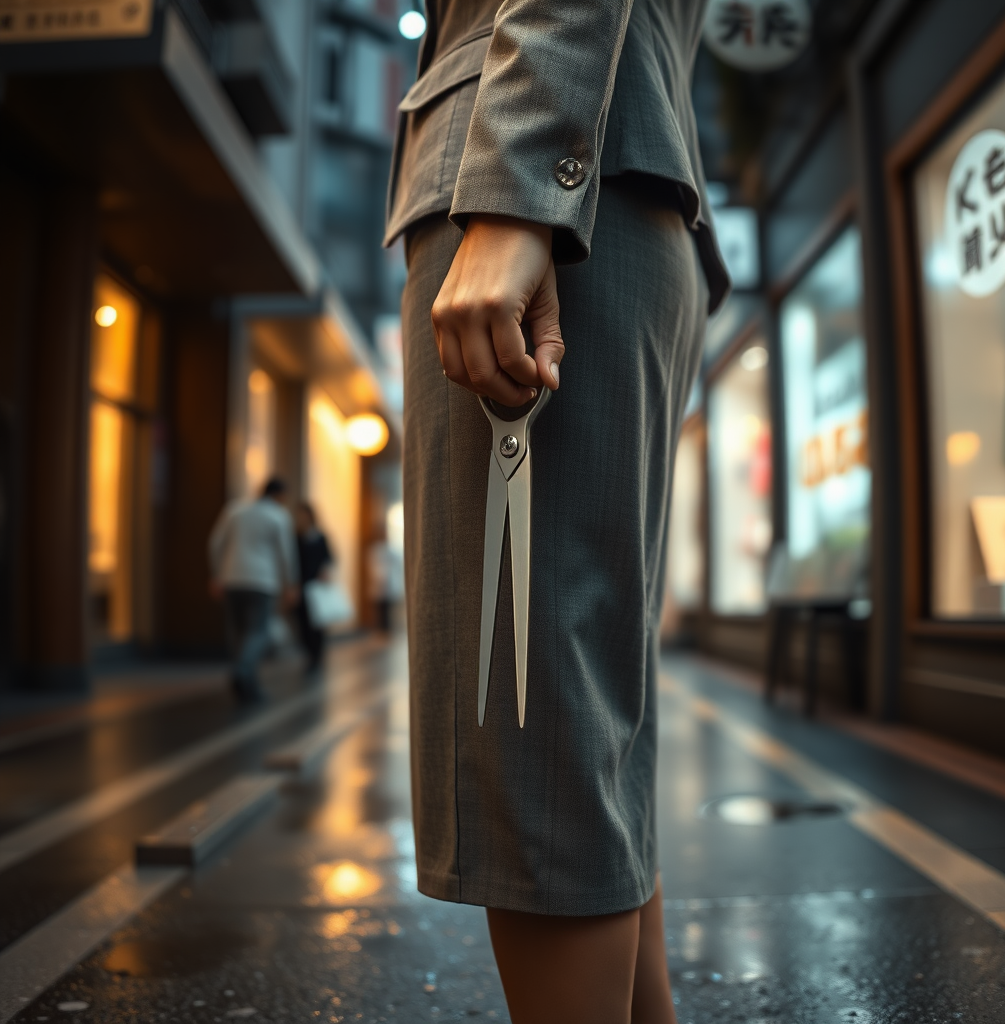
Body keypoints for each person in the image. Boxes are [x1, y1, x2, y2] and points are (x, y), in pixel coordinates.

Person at [385, 2, 730, 1022]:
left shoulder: (523, 189)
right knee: (580, 717)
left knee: (534, 724)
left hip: (541, 190)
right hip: (612, 190)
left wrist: (517, 191)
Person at [208, 477, 299, 702]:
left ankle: (246, 684)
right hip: (262, 580)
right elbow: (286, 553)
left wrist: (217, 574)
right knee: (258, 632)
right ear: (280, 496)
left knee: (238, 633)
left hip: (231, 578)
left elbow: (215, 543)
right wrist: (291, 583)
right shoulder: (278, 515)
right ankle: (243, 671)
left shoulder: (235, 510)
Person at [294, 501, 334, 674]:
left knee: (318, 622)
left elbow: (329, 558)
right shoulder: (296, 536)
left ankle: (317, 656)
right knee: (303, 622)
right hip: (301, 585)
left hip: (317, 585)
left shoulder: (320, 536)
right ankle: (309, 654)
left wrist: (324, 572)